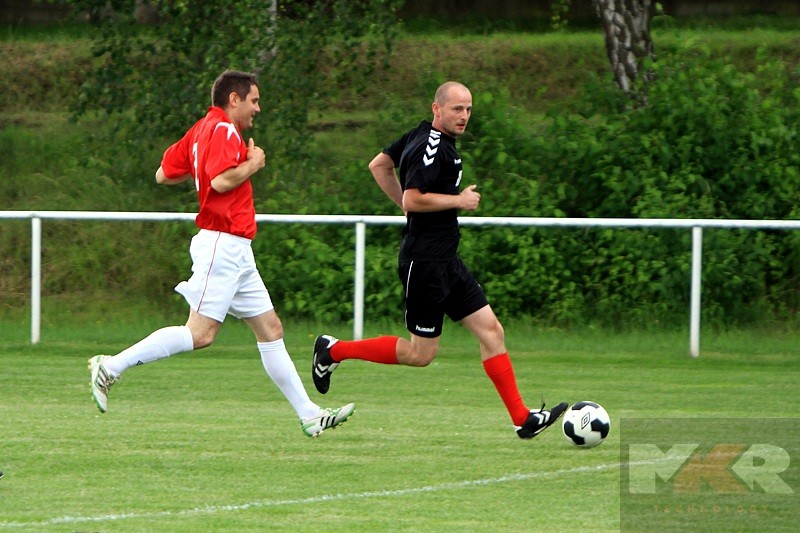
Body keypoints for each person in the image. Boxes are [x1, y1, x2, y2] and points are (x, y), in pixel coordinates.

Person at [88, 69, 354, 437]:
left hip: (236, 249)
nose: (257, 109)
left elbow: (163, 174)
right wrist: (253, 163)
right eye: (254, 101)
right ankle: (111, 367)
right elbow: (220, 181)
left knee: (271, 329)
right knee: (200, 334)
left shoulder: (201, 129)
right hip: (222, 243)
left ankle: (309, 413)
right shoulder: (225, 130)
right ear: (234, 99)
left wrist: (203, 169)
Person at [312, 81, 567, 439]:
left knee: (492, 331)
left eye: (468, 109)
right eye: (456, 109)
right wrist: (456, 201)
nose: (464, 116)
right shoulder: (430, 146)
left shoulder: (424, 135)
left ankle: (522, 419)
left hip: (447, 260)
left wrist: (408, 207)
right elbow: (413, 198)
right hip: (425, 263)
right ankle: (334, 350)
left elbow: (380, 165)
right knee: (421, 354)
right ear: (437, 109)